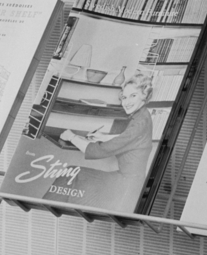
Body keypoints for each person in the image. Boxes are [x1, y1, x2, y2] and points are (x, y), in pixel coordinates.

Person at [59, 74, 155, 212]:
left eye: (133, 96)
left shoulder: (139, 122)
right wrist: (103, 137)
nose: (127, 102)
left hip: (126, 185)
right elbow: (128, 138)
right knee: (72, 175)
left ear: (144, 95)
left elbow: (98, 151)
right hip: (127, 179)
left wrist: (71, 136)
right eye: (124, 97)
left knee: (71, 173)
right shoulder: (142, 115)